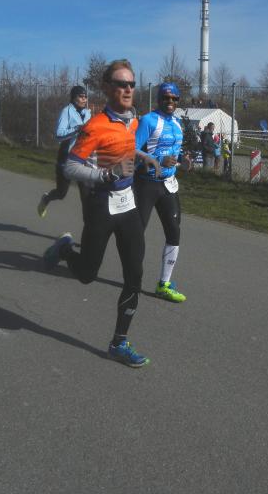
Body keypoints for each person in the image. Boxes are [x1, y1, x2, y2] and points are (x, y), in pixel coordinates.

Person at [42, 59, 160, 368]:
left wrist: (145, 157)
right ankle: (65, 249)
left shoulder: (133, 121)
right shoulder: (94, 126)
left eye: (132, 84)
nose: (128, 89)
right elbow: (70, 166)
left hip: (128, 204)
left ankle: (119, 343)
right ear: (107, 88)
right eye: (121, 84)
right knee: (86, 275)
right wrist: (105, 175)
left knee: (135, 274)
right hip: (101, 205)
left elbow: (124, 147)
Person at [134, 82, 188, 303]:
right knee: (135, 234)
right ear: (159, 99)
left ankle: (163, 284)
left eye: (174, 99)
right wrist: (157, 160)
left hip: (168, 184)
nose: (170, 102)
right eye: (166, 98)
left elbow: (176, 151)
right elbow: (131, 151)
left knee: (174, 233)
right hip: (146, 184)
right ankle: (132, 277)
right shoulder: (148, 120)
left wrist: (183, 159)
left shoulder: (177, 123)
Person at [37, 85, 91, 218]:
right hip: (67, 158)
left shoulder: (88, 113)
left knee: (86, 196)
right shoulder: (66, 112)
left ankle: (89, 226)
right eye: (81, 97)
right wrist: (77, 129)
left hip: (83, 159)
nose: (84, 99)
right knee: (61, 193)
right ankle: (46, 198)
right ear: (73, 98)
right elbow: (59, 134)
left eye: (85, 97)